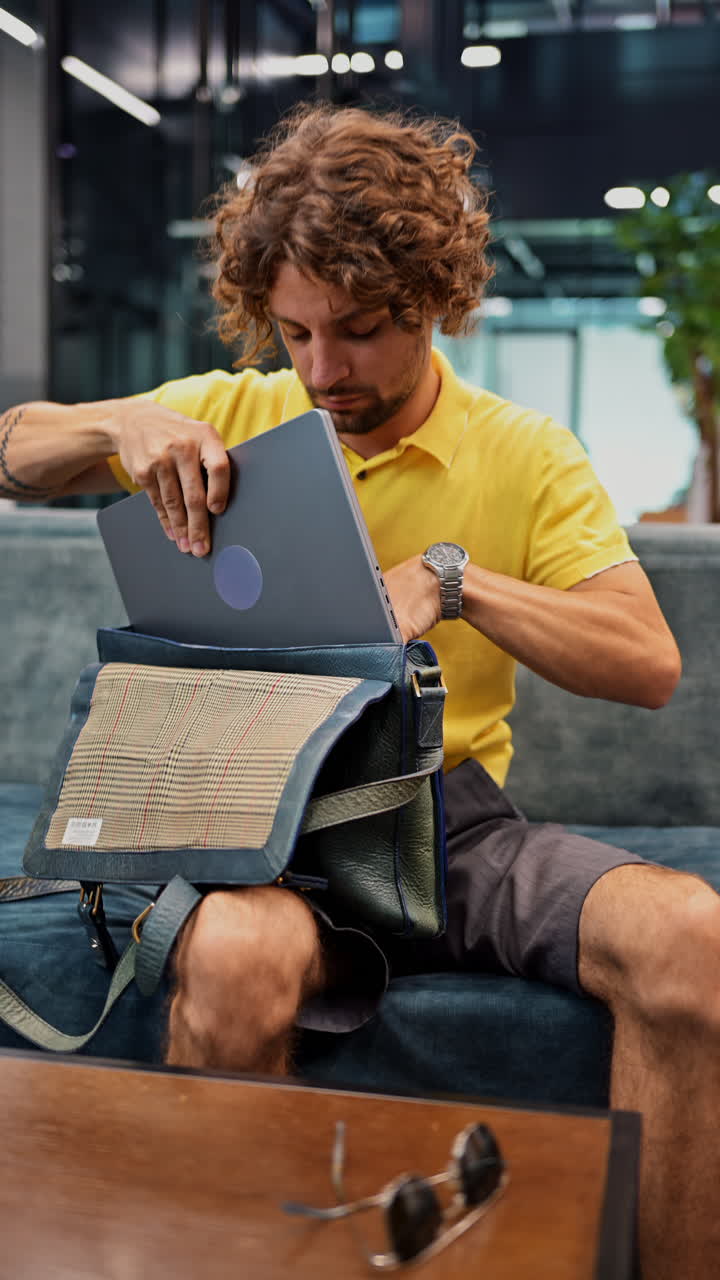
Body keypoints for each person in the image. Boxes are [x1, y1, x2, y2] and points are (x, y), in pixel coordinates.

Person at [1, 103, 717, 1279]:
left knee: (691, 932)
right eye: (295, 333)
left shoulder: (526, 451)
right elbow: (9, 448)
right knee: (230, 958)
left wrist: (457, 579)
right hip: (257, 827)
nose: (324, 371)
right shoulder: (232, 413)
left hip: (449, 817)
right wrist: (110, 423)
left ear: (433, 299)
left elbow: (646, 662)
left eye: (362, 331)